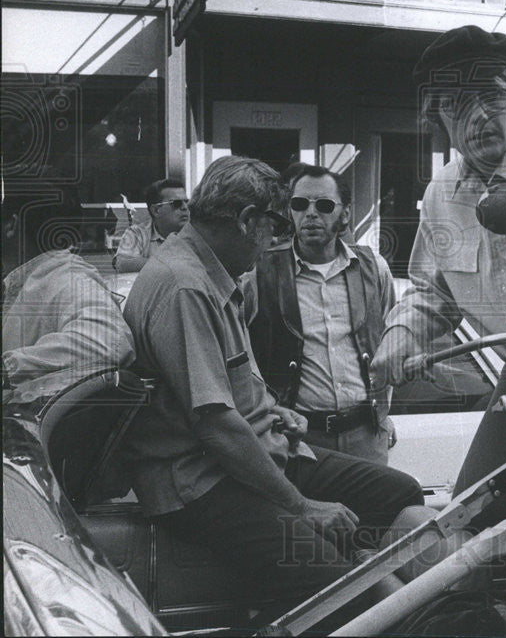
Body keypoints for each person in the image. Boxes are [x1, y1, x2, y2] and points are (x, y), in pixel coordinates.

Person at [121, 156, 423, 604]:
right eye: (276, 226)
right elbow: (216, 425)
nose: (277, 242)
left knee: (397, 493)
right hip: (204, 482)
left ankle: (375, 580)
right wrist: (302, 507)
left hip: (249, 452)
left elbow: (225, 384)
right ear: (246, 221)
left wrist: (271, 408)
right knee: (348, 594)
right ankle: (368, 599)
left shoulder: (208, 272)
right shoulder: (185, 286)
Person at [370, 25, 506, 491]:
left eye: (491, 96)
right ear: (437, 116)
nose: (480, 116)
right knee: (473, 517)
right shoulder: (442, 192)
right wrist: (400, 336)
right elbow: (434, 292)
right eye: (457, 104)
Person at [249, 164, 398, 464]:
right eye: (300, 204)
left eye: (325, 205)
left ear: (344, 214)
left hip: (365, 434)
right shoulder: (260, 271)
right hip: (298, 437)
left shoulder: (373, 267)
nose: (311, 214)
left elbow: (392, 341)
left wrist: (383, 412)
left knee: (374, 511)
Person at [2, 176, 135, 384]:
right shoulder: (26, 279)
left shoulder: (69, 279)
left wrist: (8, 368)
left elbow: (110, 342)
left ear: (11, 225)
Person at [113, 178, 189, 272]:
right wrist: (171, 265)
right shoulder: (137, 233)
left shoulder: (196, 233)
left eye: (186, 202)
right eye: (177, 203)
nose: (185, 207)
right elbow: (122, 263)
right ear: (156, 210)